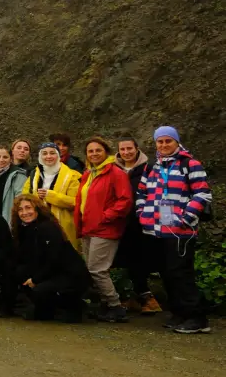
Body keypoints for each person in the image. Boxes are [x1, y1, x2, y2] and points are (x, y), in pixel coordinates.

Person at [136, 126, 213, 334]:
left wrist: (186, 218)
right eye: (160, 141)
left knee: (181, 273)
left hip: (181, 231)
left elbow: (203, 194)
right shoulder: (151, 166)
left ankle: (197, 317)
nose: (164, 145)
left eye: (168, 141)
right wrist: (142, 214)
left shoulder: (190, 164)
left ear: (177, 142)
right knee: (167, 273)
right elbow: (141, 193)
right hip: (156, 229)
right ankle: (179, 313)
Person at [74, 136, 133, 323]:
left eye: (98, 150)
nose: (94, 154)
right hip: (88, 228)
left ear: (106, 152)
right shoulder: (88, 174)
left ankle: (115, 306)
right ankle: (106, 305)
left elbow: (125, 200)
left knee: (97, 269)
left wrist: (106, 216)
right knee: (92, 268)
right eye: (90, 151)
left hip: (105, 229)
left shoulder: (116, 173)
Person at [13, 194, 91, 322]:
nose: (24, 213)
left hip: (69, 275)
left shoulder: (48, 227)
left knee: (39, 290)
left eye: (28, 208)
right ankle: (47, 308)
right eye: (20, 210)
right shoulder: (24, 230)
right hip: (50, 272)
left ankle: (73, 306)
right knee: (19, 273)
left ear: (37, 209)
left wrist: (35, 279)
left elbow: (54, 260)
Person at [114, 135, 162, 315]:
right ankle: (133, 297)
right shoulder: (113, 169)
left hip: (140, 221)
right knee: (123, 261)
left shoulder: (148, 168)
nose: (126, 152)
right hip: (119, 221)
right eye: (122, 149)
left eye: (129, 148)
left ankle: (147, 297)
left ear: (137, 149)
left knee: (140, 260)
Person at [23, 142, 82, 245]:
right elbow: (24, 198)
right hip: (38, 225)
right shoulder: (33, 175)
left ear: (58, 156)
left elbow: (75, 202)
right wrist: (36, 198)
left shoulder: (72, 176)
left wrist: (50, 196)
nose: (48, 156)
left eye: (52, 153)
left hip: (63, 228)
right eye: (45, 153)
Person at [0, 145, 28, 220]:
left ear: (11, 159)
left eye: (5, 157)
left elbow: (21, 199)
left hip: (10, 219)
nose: (1, 160)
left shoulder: (18, 175)